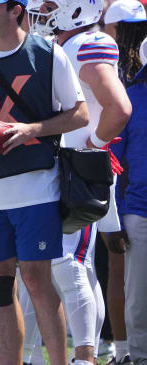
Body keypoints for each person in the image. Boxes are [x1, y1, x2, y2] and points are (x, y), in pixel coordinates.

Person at [0, 0, 89, 363]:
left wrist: (33, 129)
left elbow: (79, 114)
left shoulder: (48, 53)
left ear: (16, 11)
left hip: (36, 184)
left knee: (36, 278)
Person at [30, 0, 133, 364]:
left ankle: (85, 356)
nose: (43, 11)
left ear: (75, 7)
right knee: (78, 268)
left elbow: (118, 108)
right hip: (70, 166)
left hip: (80, 170)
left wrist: (94, 142)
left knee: (67, 262)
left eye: (51, 4)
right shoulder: (68, 44)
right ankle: (73, 353)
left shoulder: (88, 44)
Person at [113, 60, 147, 365]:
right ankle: (139, 358)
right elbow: (114, 163)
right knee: (138, 297)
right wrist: (118, 214)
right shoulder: (130, 99)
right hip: (138, 211)